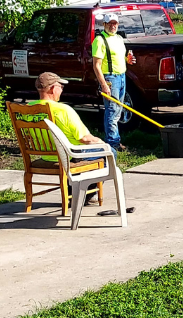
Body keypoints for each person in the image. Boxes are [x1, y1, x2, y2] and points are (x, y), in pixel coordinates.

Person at [27, 72, 132, 214]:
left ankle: (75, 190)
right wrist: (102, 143)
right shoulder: (63, 110)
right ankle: (85, 193)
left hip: (45, 156)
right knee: (110, 152)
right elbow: (84, 138)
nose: (62, 89)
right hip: (68, 155)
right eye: (60, 86)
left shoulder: (27, 109)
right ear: (52, 89)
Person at [92, 12, 135, 152]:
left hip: (122, 76)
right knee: (112, 110)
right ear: (104, 24)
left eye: (115, 23)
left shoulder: (119, 39)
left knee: (118, 110)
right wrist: (103, 84)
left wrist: (128, 60)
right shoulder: (99, 40)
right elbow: (96, 65)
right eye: (110, 23)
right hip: (110, 79)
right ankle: (112, 142)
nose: (113, 26)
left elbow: (122, 57)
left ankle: (114, 140)